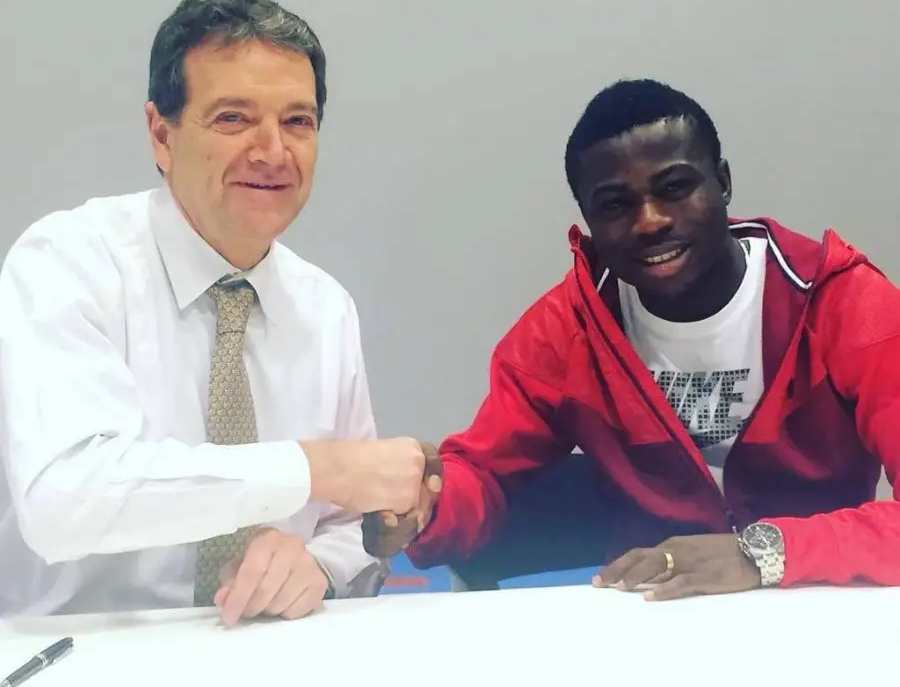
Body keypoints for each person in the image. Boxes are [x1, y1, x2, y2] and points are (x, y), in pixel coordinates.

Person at [365, 78, 900, 600]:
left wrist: (757, 554)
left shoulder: (846, 307)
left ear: (723, 183)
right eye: (615, 205)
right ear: (589, 221)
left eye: (674, 187)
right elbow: (483, 475)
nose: (650, 221)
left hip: (819, 605)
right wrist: (423, 508)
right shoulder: (568, 329)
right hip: (648, 615)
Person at [0, 0, 440, 623]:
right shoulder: (67, 263)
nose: (273, 151)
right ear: (161, 135)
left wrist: (316, 565)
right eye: (234, 118)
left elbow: (350, 523)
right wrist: (311, 469)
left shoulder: (324, 306)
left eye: (298, 121)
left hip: (264, 647)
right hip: (77, 648)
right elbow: (64, 500)